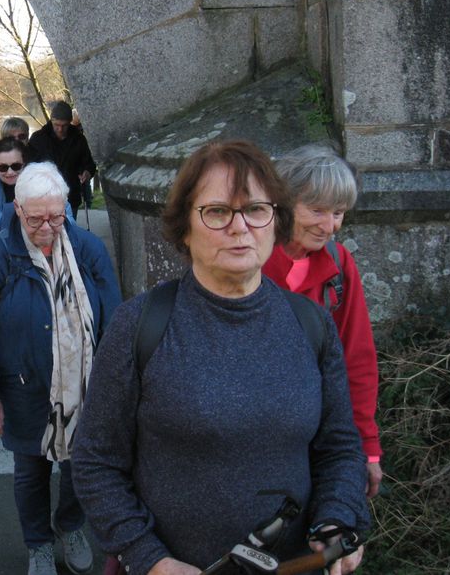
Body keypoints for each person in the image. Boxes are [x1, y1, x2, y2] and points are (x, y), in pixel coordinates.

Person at [72, 140, 370, 575]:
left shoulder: (311, 325)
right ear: (184, 228)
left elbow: (340, 447)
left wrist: (337, 519)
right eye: (217, 212)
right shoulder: (140, 326)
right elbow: (96, 460)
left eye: (255, 210)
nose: (240, 227)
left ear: (276, 221)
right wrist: (148, 557)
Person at [0, 162, 122, 575]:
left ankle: (70, 527)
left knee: (78, 469)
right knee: (30, 472)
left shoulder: (87, 250)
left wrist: (116, 384)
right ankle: (38, 545)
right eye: (36, 219)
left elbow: (114, 320)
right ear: (17, 210)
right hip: (24, 391)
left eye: (56, 215)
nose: (48, 227)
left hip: (85, 389)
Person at [262, 143, 383, 498]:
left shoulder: (338, 262)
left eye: (338, 212)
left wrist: (366, 445)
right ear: (284, 202)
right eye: (316, 210)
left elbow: (356, 357)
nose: (329, 226)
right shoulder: (249, 258)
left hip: (319, 432)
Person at [0, 138, 74, 252]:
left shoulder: (49, 186)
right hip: (1, 258)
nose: (10, 172)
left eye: (16, 166)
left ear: (25, 163)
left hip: (45, 252)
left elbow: (68, 223)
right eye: (3, 167)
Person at [28, 101, 96, 218]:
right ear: (51, 121)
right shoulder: (38, 139)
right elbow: (28, 167)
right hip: (44, 197)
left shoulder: (79, 139)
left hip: (70, 196)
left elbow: (89, 163)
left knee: (68, 232)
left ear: (70, 122)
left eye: (64, 125)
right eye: (56, 125)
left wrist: (87, 172)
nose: (60, 129)